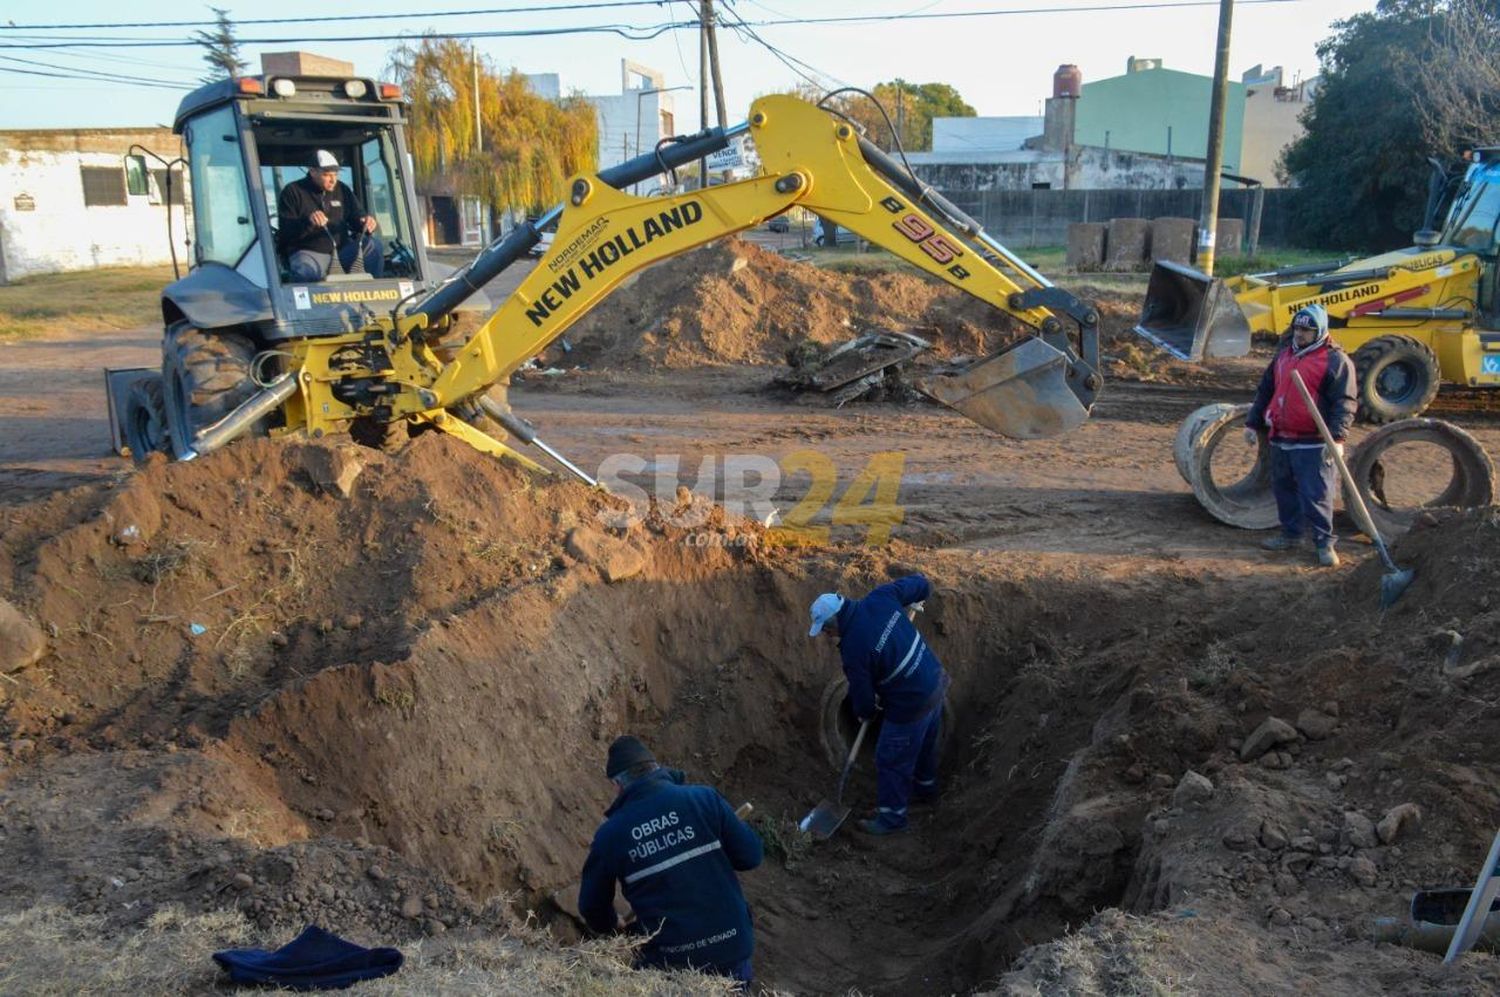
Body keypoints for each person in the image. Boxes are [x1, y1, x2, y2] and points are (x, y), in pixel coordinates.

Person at [578, 736, 762, 987]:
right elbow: (750, 856)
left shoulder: (611, 835)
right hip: (731, 948)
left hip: (671, 963)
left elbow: (592, 907)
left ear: (617, 785)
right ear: (656, 768)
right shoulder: (705, 799)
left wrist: (613, 927)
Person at [808, 573, 949, 836]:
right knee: (924, 745)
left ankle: (892, 819)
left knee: (890, 756)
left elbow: (862, 699)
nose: (827, 635)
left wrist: (867, 714)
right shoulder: (881, 597)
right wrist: (919, 596)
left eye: (826, 629)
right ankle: (926, 791)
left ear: (835, 621)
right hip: (935, 681)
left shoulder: (853, 648)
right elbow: (922, 584)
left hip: (911, 702)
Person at [1243, 302, 1357, 567]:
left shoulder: (1336, 361)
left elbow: (1345, 403)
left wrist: (1338, 439)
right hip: (1281, 437)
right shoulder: (1284, 355)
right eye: (1297, 328)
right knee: (1283, 489)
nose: (1300, 334)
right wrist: (1252, 423)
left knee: (1316, 493)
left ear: (1320, 331)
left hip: (1313, 442)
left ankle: (1324, 543)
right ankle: (1291, 534)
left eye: (1306, 330)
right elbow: (1265, 390)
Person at [276, 149, 383, 281]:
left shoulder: (342, 190)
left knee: (373, 246)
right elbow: (286, 233)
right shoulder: (293, 192)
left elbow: (357, 215)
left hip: (342, 252)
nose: (333, 180)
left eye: (336, 174)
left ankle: (373, 294)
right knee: (306, 271)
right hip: (309, 252)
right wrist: (309, 222)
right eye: (327, 175)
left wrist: (365, 222)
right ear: (312, 171)